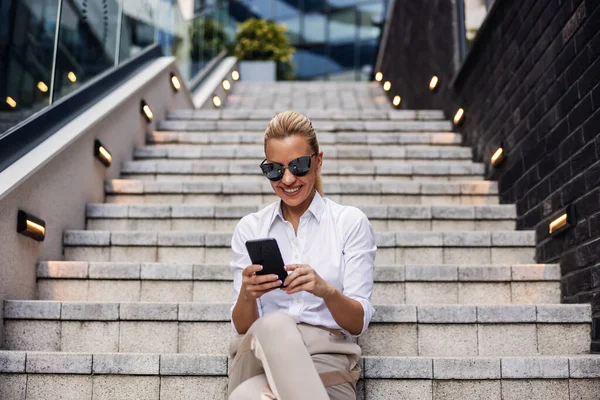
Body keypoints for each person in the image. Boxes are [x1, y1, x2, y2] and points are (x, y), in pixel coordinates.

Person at [228, 111, 376, 400]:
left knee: (245, 397)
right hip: (258, 358)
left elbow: (357, 323)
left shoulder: (350, 223)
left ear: (318, 161)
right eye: (274, 169)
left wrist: (326, 290)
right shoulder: (250, 228)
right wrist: (247, 295)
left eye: (298, 166)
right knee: (275, 324)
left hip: (326, 358)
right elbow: (243, 326)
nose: (287, 178)